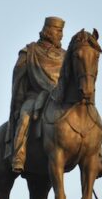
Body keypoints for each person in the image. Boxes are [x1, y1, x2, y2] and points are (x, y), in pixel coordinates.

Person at [5, 16, 66, 173]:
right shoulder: (30, 52)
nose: (61, 35)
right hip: (35, 96)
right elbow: (18, 81)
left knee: (87, 116)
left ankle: (97, 158)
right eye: (58, 31)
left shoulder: (66, 56)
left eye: (62, 31)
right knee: (25, 116)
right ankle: (18, 155)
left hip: (60, 98)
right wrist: (18, 105)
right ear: (48, 31)